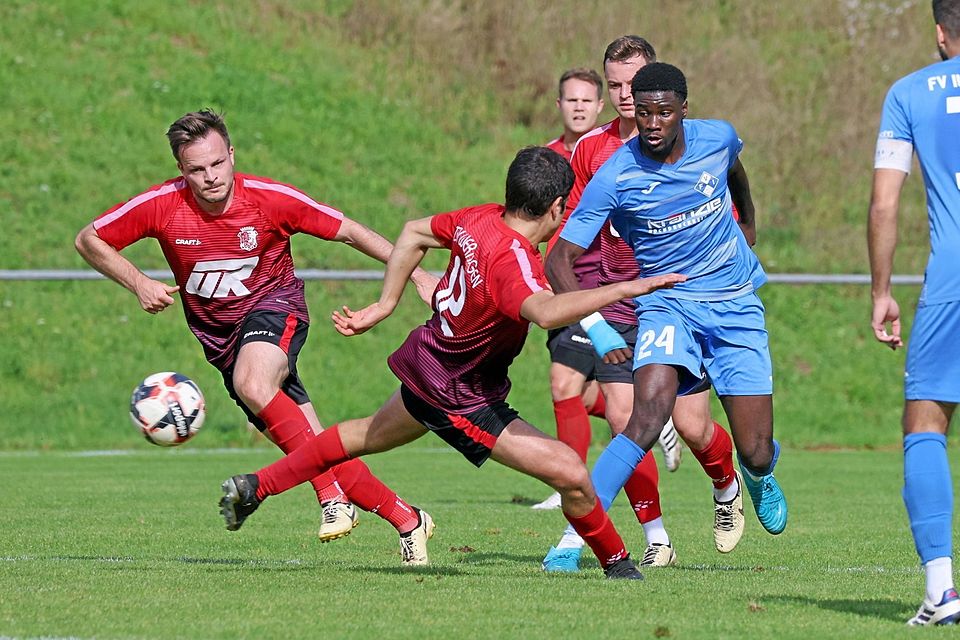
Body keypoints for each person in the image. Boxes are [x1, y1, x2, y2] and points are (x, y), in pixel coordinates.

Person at [217, 146, 686, 578]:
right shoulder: (514, 261)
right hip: (462, 395)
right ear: (558, 207)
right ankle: (619, 566)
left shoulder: (477, 219)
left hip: (428, 364)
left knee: (361, 435)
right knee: (572, 473)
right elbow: (544, 312)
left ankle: (256, 486)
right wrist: (628, 288)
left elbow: (414, 231)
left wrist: (386, 303)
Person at [75, 109, 439, 562]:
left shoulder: (269, 198)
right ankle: (407, 518)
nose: (210, 177)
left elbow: (348, 231)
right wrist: (139, 282)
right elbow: (89, 239)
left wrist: (419, 275)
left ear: (231, 154)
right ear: (180, 171)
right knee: (311, 444)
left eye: (217, 164)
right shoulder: (161, 204)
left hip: (274, 309)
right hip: (219, 340)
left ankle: (331, 498)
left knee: (254, 383)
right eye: (196, 170)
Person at [546, 62, 788, 567]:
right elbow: (558, 260)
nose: (652, 123)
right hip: (667, 304)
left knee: (755, 449)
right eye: (644, 112)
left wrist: (748, 223)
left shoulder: (718, 138)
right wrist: (595, 324)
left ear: (683, 109)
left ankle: (759, 474)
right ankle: (574, 540)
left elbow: (735, 170)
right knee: (645, 417)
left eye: (664, 112)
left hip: (734, 300)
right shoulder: (618, 174)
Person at [533, 41, 683, 522]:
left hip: (668, 297)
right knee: (585, 396)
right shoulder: (583, 152)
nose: (624, 95)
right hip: (598, 295)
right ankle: (653, 534)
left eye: (632, 84)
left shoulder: (690, 142)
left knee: (695, 425)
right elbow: (563, 235)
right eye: (614, 84)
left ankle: (729, 479)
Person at [868, 0, 960, 625]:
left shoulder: (908, 93)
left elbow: (884, 203)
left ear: (938, 30)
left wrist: (882, 290)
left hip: (954, 278)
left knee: (925, 422)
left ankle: (942, 591)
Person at [532, 66, 608, 511]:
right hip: (558, 285)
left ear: (600, 107)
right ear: (558, 105)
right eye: (571, 99)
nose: (578, 107)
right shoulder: (545, 160)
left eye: (586, 100)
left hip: (599, 282)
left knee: (563, 384)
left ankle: (569, 483)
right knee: (581, 392)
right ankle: (652, 420)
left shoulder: (613, 152)